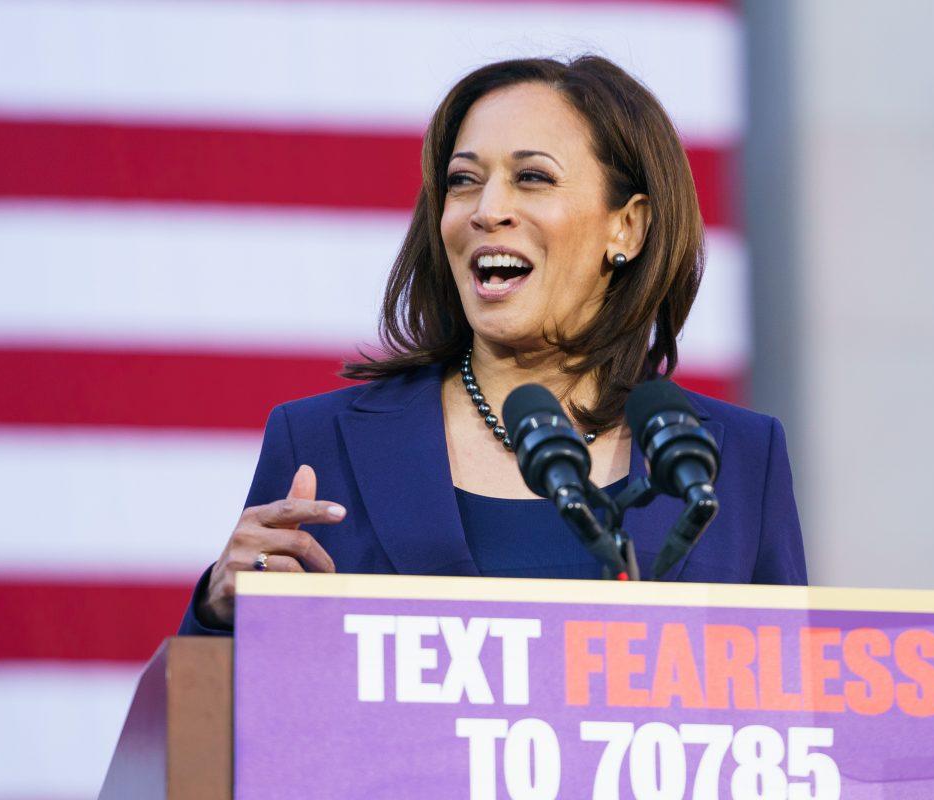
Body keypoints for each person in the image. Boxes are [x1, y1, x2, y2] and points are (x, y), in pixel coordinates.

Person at [178, 55, 806, 636]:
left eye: (532, 177)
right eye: (463, 181)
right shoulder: (321, 443)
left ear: (628, 226)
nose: (487, 209)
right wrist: (220, 609)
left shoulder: (739, 462)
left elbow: (794, 726)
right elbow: (224, 723)